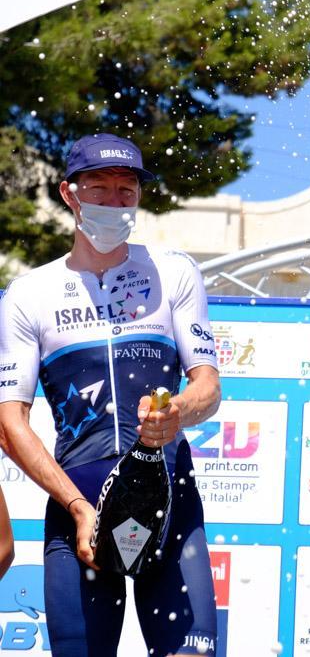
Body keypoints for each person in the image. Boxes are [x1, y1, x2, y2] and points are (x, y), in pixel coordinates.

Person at [0, 133, 222, 656]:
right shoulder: (30, 293)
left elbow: (208, 387)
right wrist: (79, 508)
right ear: (69, 194)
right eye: (98, 188)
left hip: (171, 504)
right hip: (75, 506)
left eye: (127, 190)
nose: (115, 202)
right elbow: (10, 422)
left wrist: (178, 414)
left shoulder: (173, 271)